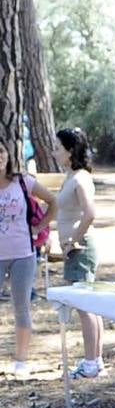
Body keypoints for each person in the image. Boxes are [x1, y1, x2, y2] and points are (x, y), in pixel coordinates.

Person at [0, 140, 56, 377]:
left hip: (23, 254)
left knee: (21, 306)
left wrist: (40, 227)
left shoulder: (22, 181)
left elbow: (54, 201)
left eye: (1, 152)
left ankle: (20, 361)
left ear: (8, 155)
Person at [55, 127, 104, 378]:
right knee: (88, 305)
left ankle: (91, 361)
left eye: (58, 148)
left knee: (85, 306)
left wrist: (72, 241)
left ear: (70, 150)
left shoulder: (80, 178)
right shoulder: (70, 175)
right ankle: (95, 359)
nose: (55, 153)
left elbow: (90, 213)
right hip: (74, 249)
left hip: (80, 249)